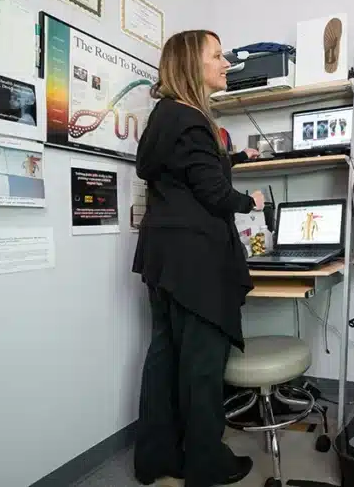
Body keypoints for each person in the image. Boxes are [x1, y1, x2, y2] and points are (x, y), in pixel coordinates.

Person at [132, 29, 264, 487]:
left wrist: (234, 157)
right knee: (203, 365)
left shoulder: (163, 119)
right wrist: (253, 202)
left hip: (163, 257)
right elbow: (213, 192)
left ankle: (156, 457)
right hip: (196, 262)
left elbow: (190, 174)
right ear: (192, 64)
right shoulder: (191, 121)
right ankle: (206, 463)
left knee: (165, 358)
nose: (226, 63)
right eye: (217, 56)